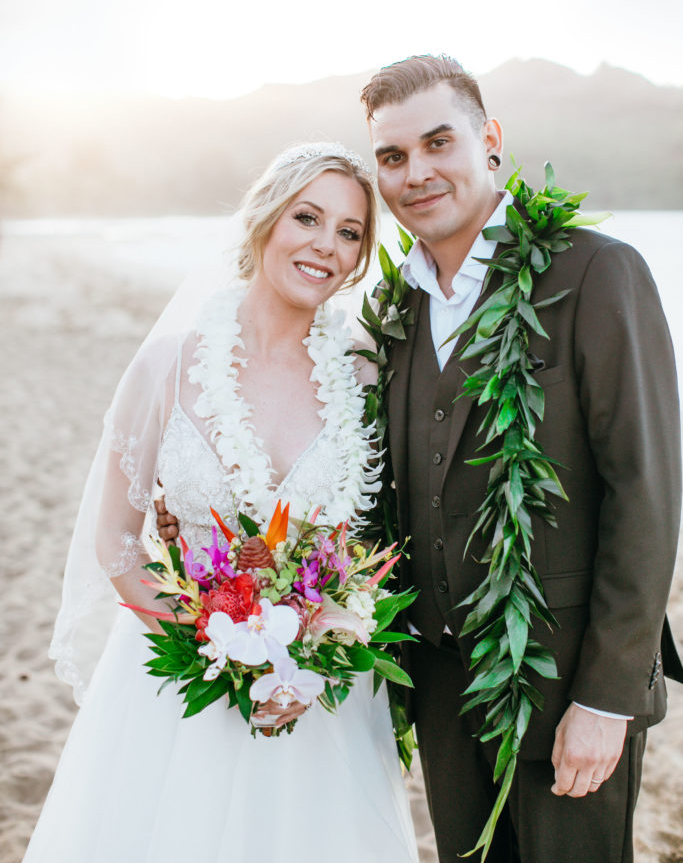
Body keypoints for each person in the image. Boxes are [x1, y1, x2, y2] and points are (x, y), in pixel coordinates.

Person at [24, 142, 419, 863]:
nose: (325, 246)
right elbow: (115, 539)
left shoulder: (363, 376)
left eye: (349, 232)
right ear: (265, 219)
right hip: (181, 682)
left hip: (316, 695)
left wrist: (310, 663)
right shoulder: (169, 364)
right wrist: (213, 644)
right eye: (307, 217)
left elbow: (370, 543)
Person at [357, 54, 683, 863]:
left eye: (439, 143)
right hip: (437, 683)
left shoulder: (596, 271)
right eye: (393, 157)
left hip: (562, 683)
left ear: (490, 140)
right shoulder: (395, 308)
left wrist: (605, 701)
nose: (416, 173)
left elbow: (646, 490)